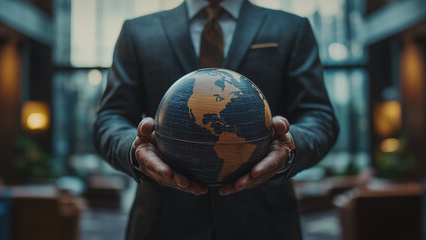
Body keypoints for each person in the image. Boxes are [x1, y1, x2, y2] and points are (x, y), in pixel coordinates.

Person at [93, 0, 339, 239]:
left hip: (264, 223)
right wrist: (134, 150)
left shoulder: (291, 29)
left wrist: (289, 147)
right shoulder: (136, 32)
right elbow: (110, 118)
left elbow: (319, 117)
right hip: (163, 223)